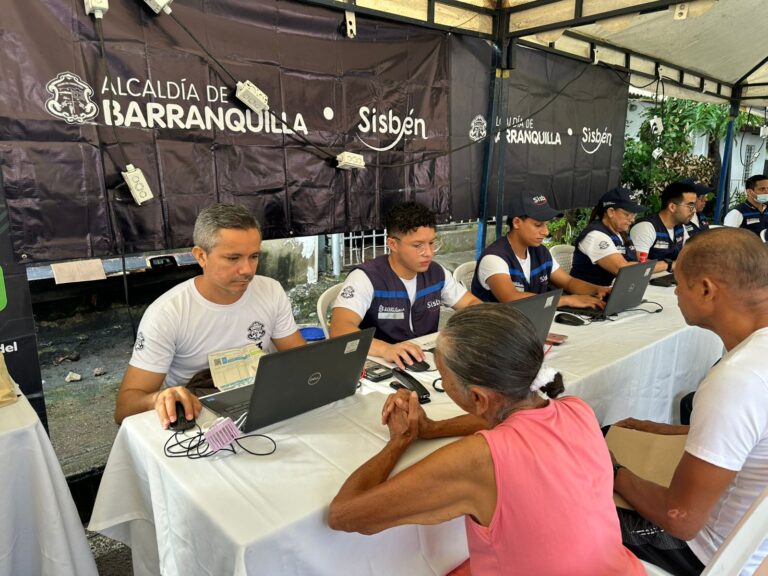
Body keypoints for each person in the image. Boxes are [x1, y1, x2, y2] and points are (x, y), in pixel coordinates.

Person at [328, 304, 644, 575]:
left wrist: (400, 440)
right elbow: (511, 420)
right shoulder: (577, 410)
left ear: (479, 399)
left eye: (444, 377)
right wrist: (431, 429)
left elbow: (345, 515)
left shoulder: (480, 457)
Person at [611, 227, 768, 575]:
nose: (677, 293)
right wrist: (664, 430)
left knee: (555, 499)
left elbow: (679, 520)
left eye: (680, 284)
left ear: (706, 289)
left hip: (702, 553)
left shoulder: (739, 379)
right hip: (752, 544)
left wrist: (613, 472)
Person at [114, 204, 305, 428]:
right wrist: (159, 398)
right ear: (201, 256)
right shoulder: (168, 313)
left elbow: (300, 357)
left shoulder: (270, 291)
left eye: (254, 256)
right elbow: (124, 407)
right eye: (233, 258)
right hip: (198, 420)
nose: (247, 270)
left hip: (259, 405)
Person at [329, 201, 479, 369]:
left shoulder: (436, 273)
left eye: (431, 243)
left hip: (422, 360)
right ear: (393, 244)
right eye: (418, 246)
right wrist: (386, 349)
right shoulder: (367, 277)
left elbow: (472, 305)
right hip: (376, 365)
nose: (428, 253)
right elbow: (339, 329)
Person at [470, 192, 608, 308]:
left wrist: (599, 290)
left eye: (547, 225)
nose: (546, 232)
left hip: (531, 323)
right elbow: (511, 298)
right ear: (517, 222)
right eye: (538, 225)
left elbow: (568, 282)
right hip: (498, 332)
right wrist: (566, 300)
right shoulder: (494, 258)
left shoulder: (540, 252)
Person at [571, 186, 668, 286]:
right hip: (588, 295)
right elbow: (623, 270)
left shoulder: (620, 233)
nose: (632, 220)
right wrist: (667, 265)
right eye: (627, 215)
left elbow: (637, 261)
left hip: (616, 291)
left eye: (634, 215)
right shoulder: (595, 236)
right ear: (611, 212)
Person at [629, 181, 697, 267]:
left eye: (694, 206)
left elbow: (690, 253)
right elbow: (640, 265)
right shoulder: (646, 227)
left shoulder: (680, 227)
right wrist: (671, 265)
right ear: (672, 207)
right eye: (690, 206)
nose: (694, 210)